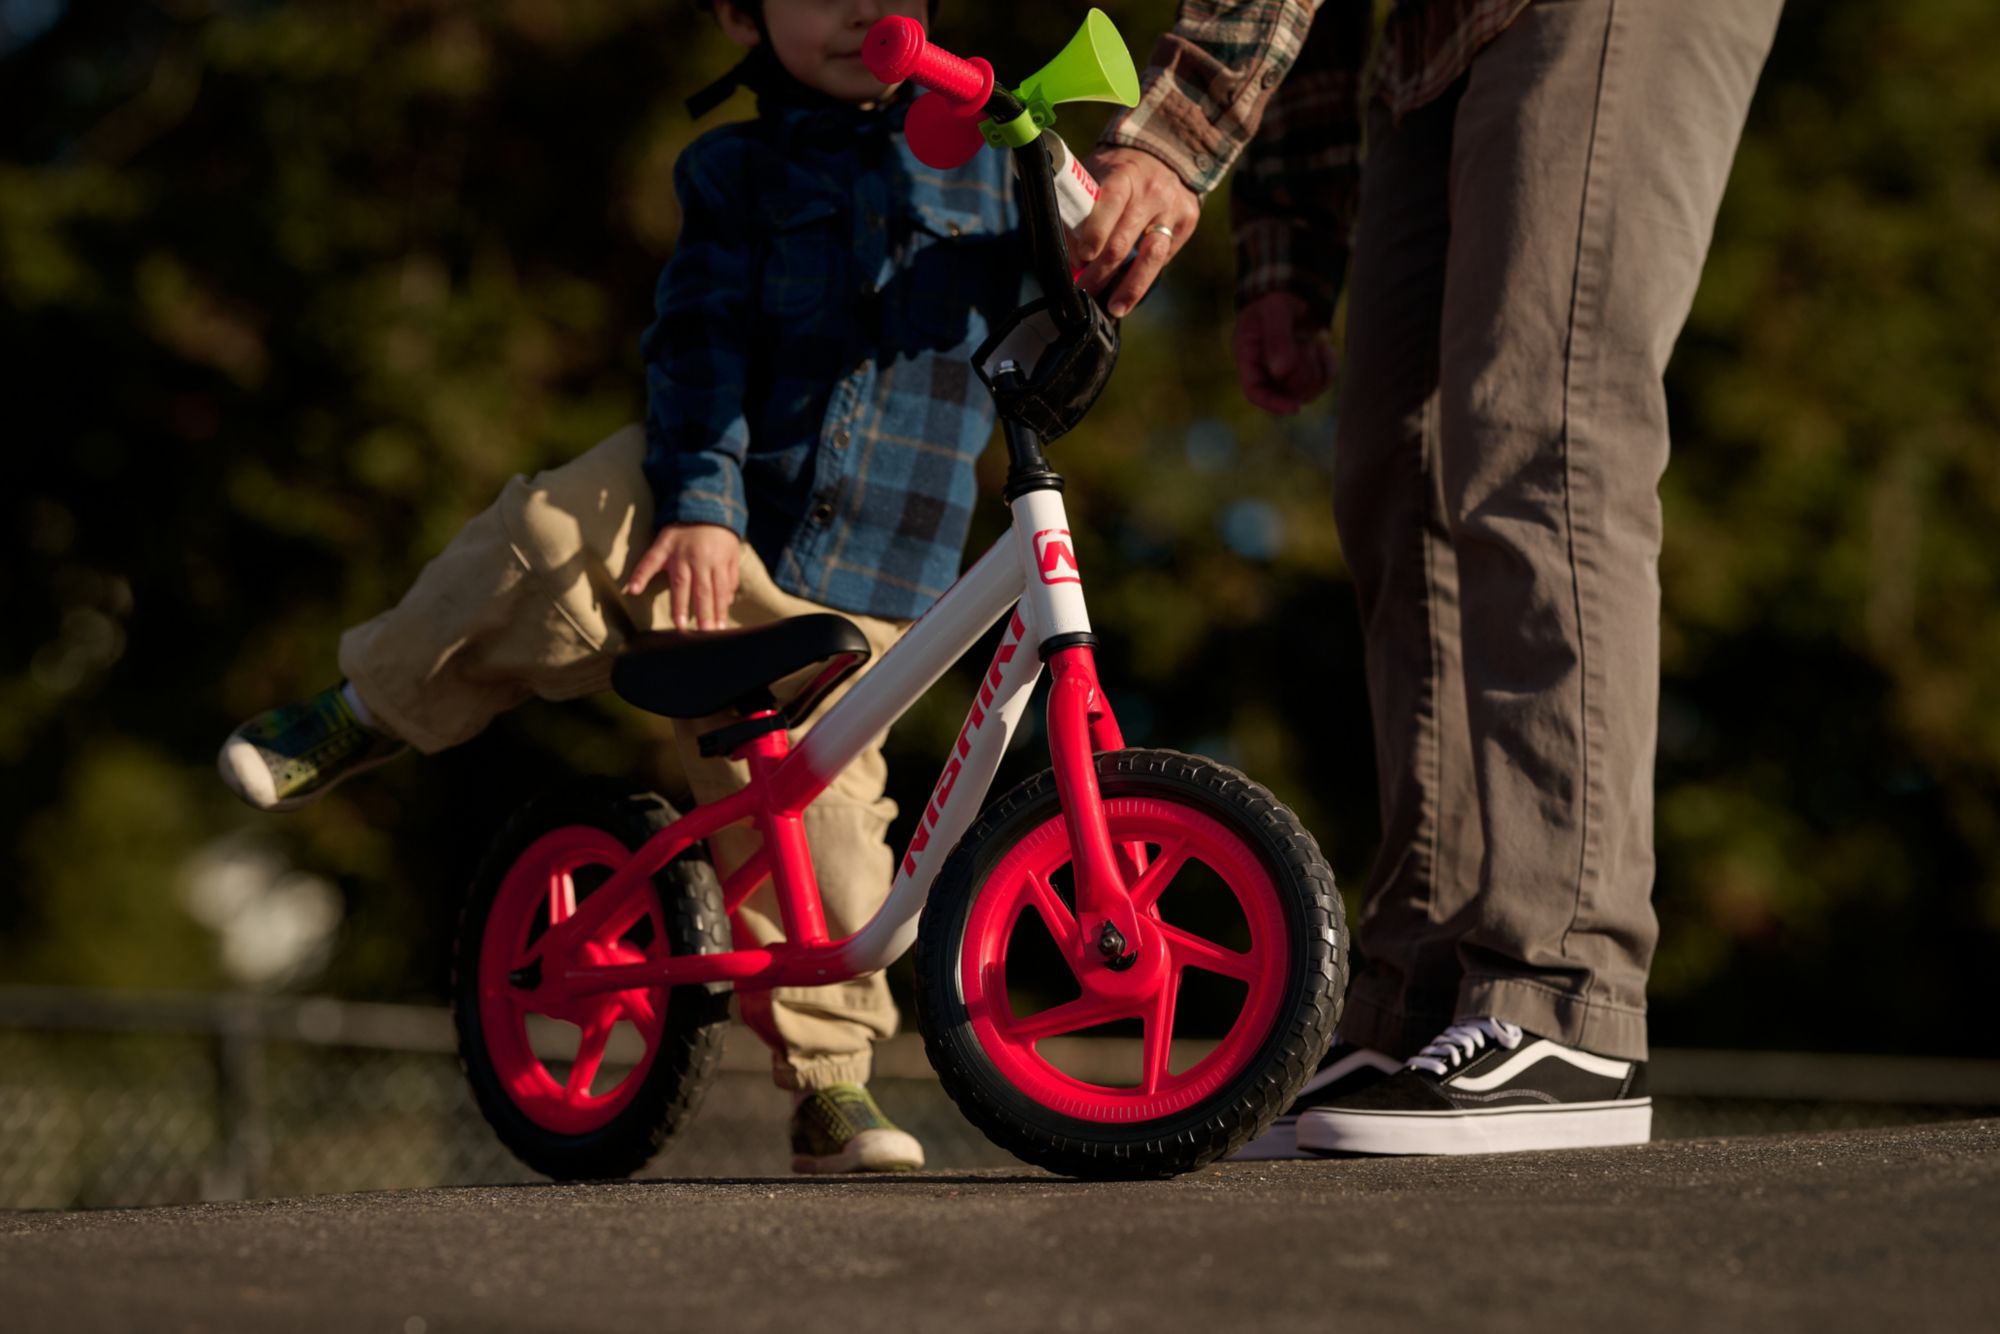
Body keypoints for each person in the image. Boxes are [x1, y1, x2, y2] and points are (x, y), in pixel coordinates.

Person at [217, 0, 1026, 1174]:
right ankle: (369, 707)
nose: (861, 9)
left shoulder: (996, 172)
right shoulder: (732, 166)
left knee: (828, 841)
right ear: (740, 17)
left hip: (870, 576)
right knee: (542, 535)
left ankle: (831, 1086)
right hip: (704, 498)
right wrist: (700, 496)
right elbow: (695, 338)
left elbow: (1054, 326)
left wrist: (1094, 249)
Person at [1075, 0, 1784, 1155]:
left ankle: (1564, 990)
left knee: (1535, 429)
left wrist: (1169, 138)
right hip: (1429, 43)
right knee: (1391, 473)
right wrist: (1289, 250)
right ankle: (1422, 1002)